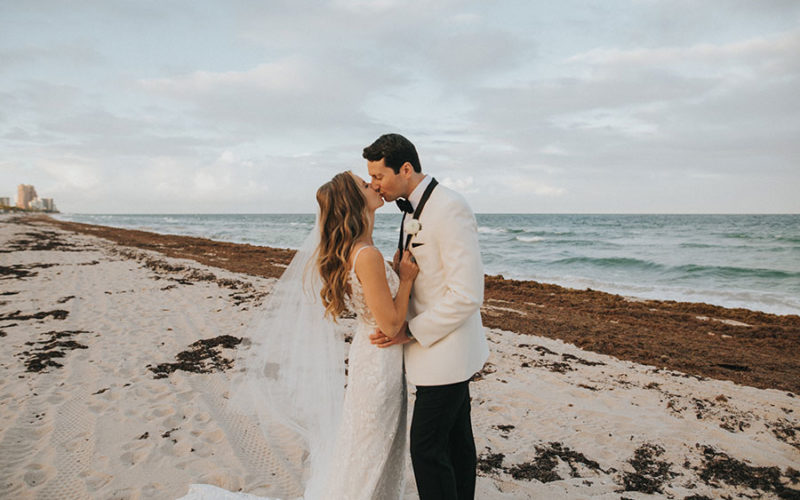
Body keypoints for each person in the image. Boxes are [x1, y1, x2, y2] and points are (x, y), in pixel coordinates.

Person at [178, 171, 419, 499]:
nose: (374, 185)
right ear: (352, 201)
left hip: (373, 351)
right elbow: (390, 325)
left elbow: (380, 314)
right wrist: (405, 279)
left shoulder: (360, 249)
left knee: (370, 445)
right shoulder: (366, 254)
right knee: (372, 446)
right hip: (379, 361)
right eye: (365, 185)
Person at [364, 133, 490, 500]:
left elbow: (468, 294)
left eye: (378, 177)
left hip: (446, 352)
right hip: (430, 353)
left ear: (405, 169)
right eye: (370, 178)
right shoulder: (411, 209)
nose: (374, 184)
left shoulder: (449, 207)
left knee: (426, 448)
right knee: (455, 444)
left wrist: (410, 331)